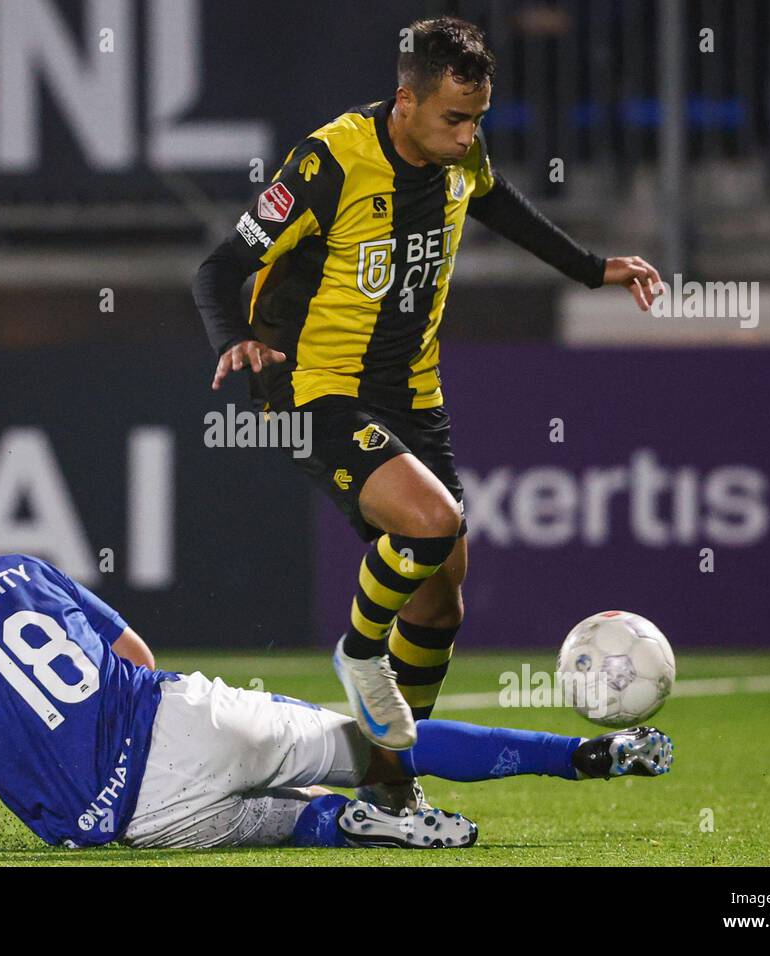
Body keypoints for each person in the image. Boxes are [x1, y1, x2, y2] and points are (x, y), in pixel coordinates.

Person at [192, 16, 663, 812]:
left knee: (443, 595)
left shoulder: (459, 151)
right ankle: (357, 651)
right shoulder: (329, 161)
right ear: (405, 100)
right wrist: (234, 339)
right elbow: (219, 265)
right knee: (430, 524)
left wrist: (592, 269)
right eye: (454, 118)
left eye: (478, 119)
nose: (468, 134)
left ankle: (388, 785)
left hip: (413, 394)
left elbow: (498, 202)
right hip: (311, 387)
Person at [0, 478, 672, 853]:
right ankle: (589, 755)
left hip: (128, 825)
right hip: (182, 722)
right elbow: (134, 654)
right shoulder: (17, 567)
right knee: (369, 743)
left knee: (289, 824)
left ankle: (362, 825)